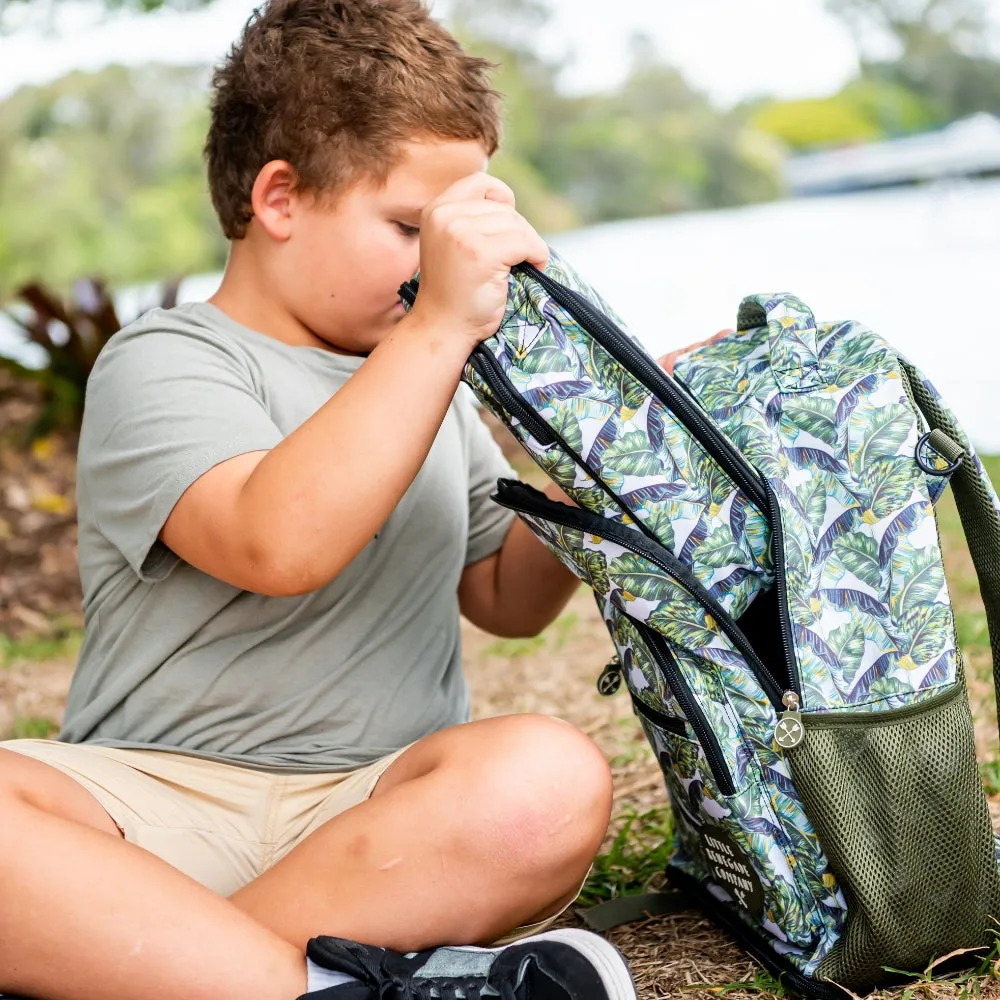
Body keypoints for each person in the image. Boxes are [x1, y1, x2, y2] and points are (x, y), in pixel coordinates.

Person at [0, 1, 639, 999]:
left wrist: (606, 459)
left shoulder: (424, 378)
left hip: (369, 818)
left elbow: (503, 597)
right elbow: (276, 540)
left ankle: (160, 968)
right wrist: (435, 331)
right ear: (281, 199)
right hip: (152, 809)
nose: (435, 264)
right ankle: (313, 982)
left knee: (549, 781)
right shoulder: (166, 359)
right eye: (408, 230)